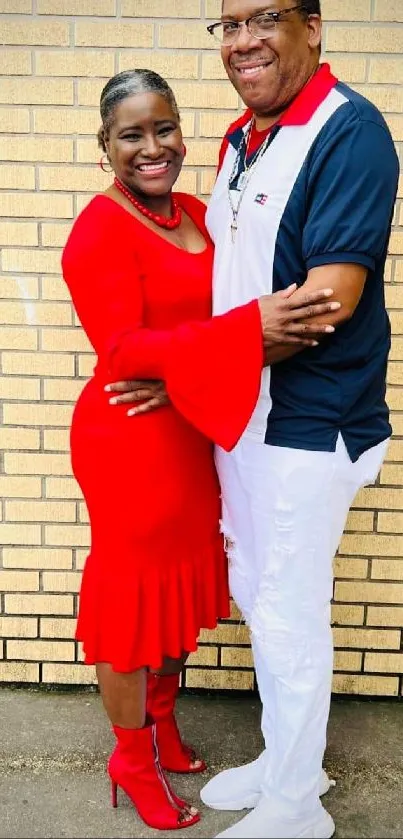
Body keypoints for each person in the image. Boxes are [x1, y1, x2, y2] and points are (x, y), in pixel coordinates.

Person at [107, 3, 399, 838]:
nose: (243, 40)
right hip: (240, 412)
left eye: (264, 18)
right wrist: (199, 370)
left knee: (287, 607)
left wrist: (196, 361)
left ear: (313, 26)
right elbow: (243, 293)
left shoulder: (348, 131)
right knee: (255, 594)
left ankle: (297, 804)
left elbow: (326, 303)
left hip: (310, 421)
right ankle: (281, 759)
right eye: (227, 25)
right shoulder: (241, 139)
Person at [61, 68, 338, 833]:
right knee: (131, 606)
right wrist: (239, 336)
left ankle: (161, 723)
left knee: (178, 594)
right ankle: (130, 755)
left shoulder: (194, 208)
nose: (153, 148)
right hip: (129, 439)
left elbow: (220, 309)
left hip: (187, 428)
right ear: (104, 147)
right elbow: (122, 352)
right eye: (131, 135)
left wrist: (189, 368)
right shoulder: (99, 229)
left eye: (164, 128)